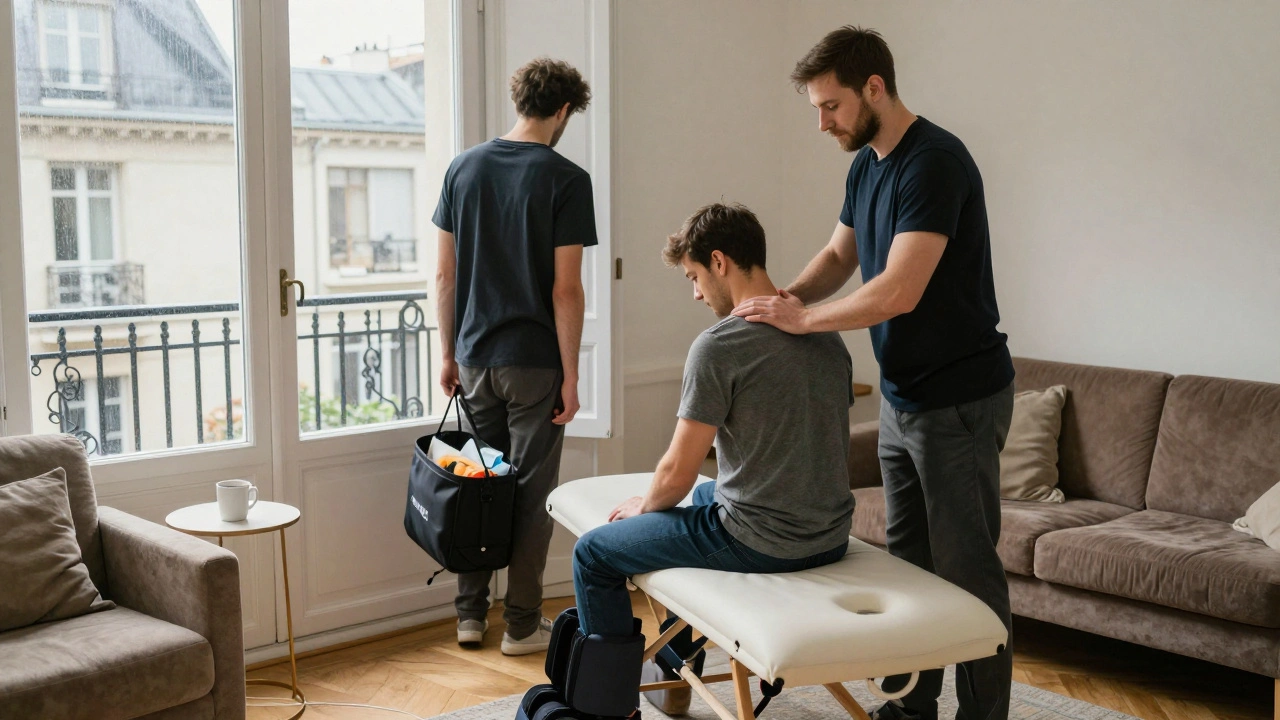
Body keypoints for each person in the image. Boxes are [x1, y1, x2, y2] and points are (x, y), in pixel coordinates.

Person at [733, 26, 1016, 720]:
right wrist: (788, 301)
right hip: (901, 399)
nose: (824, 122)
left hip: (959, 400)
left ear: (875, 89)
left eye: (831, 106)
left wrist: (804, 323)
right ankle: (911, 708)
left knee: (968, 574)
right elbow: (839, 260)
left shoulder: (936, 163)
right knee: (909, 571)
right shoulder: (866, 167)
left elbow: (899, 289)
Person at [571, 202, 856, 710]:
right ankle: (674, 672)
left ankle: (607, 705)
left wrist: (647, 504)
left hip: (762, 542)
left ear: (720, 261)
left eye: (695, 276)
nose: (697, 293)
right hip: (829, 536)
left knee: (594, 553)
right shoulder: (825, 333)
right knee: (704, 495)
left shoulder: (719, 346)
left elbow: (678, 473)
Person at [433, 57, 596, 656]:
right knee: (531, 494)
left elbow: (445, 275)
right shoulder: (566, 179)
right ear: (561, 111)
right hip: (534, 363)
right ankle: (522, 625)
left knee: (476, 484)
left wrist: (447, 353)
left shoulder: (463, 168)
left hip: (475, 357)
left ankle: (469, 615)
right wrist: (572, 375)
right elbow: (566, 289)